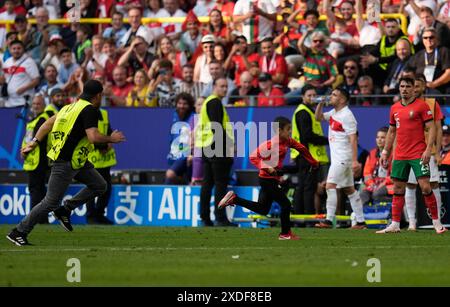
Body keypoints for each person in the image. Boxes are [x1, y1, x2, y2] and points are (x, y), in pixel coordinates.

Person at [6, 80, 126, 246]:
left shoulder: (69, 107)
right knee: (50, 202)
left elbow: (48, 123)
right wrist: (110, 138)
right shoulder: (89, 109)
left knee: (100, 185)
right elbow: (93, 136)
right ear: (98, 96)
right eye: (101, 96)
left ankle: (65, 209)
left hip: (77, 160)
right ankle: (18, 232)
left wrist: (34, 141)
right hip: (66, 162)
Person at [218, 116, 319, 240]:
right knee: (286, 205)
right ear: (279, 131)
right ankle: (285, 234)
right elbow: (253, 157)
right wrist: (267, 167)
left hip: (270, 179)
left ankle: (234, 199)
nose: (290, 132)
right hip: (267, 179)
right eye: (288, 129)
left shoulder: (288, 141)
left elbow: (302, 149)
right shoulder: (270, 144)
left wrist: (313, 162)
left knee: (263, 209)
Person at [377, 77, 447, 234]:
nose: (404, 89)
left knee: (426, 186)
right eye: (402, 86)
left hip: (418, 153)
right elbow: (392, 131)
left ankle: (437, 223)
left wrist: (429, 149)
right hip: (400, 155)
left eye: (408, 86)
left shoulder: (422, 106)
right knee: (398, 188)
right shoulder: (394, 108)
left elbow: (431, 128)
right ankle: (395, 224)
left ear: (413, 89)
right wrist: (386, 152)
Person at [314, 87, 367, 229]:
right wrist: (320, 103)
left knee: (330, 185)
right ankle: (361, 222)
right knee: (349, 189)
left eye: (334, 95)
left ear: (342, 99)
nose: (330, 96)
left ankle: (329, 220)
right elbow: (318, 118)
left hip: (343, 158)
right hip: (340, 158)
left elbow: (353, 139)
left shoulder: (347, 116)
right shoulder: (334, 113)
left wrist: (355, 160)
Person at [404, 74, 445, 231]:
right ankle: (412, 222)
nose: (415, 88)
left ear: (423, 87)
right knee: (410, 185)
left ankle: (437, 221)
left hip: (429, 151)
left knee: (433, 184)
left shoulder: (432, 103)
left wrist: (438, 151)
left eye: (418, 85)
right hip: (409, 151)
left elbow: (439, 128)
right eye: (412, 85)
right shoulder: (404, 104)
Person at [195, 77, 235, 227]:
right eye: (222, 86)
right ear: (214, 87)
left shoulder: (208, 102)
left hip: (207, 147)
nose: (225, 89)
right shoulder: (215, 102)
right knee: (220, 184)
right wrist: (229, 146)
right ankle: (220, 217)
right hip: (217, 147)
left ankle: (205, 217)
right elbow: (217, 127)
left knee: (208, 183)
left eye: (226, 86)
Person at [291, 85, 329, 215]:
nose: (312, 98)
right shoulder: (303, 112)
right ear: (303, 97)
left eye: (314, 95)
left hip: (304, 154)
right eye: (309, 95)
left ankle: (299, 216)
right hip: (306, 155)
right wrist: (328, 140)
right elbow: (307, 136)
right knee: (307, 188)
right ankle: (307, 216)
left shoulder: (308, 111)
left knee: (304, 186)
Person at [86, 106, 118, 225]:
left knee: (106, 188)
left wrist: (110, 139)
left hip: (105, 160)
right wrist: (104, 146)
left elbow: (108, 130)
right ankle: (90, 216)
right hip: (93, 158)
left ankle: (99, 215)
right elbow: (89, 135)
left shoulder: (104, 113)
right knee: (93, 188)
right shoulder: (87, 113)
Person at [21, 95, 51, 224]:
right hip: (32, 160)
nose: (35, 106)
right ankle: (41, 218)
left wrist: (26, 150)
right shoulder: (34, 119)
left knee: (36, 191)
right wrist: (23, 150)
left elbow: (36, 139)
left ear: (44, 105)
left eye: (38, 104)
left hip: (39, 160)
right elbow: (28, 139)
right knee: (38, 190)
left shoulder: (43, 119)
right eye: (34, 104)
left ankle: (37, 219)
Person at [165, 93, 195, 184]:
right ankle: (185, 183)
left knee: (170, 174)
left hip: (186, 156)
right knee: (168, 181)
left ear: (189, 106)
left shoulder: (193, 118)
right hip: (175, 155)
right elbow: (172, 138)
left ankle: (185, 183)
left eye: (185, 104)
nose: (182, 106)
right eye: (180, 103)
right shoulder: (175, 117)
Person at [0, 40, 40, 108]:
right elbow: (3, 79)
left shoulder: (29, 62)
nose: (16, 51)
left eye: (19, 48)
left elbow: (36, 80)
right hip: (9, 102)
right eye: (14, 48)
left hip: (24, 101)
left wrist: (24, 88)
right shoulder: (7, 62)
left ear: (23, 49)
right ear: (10, 50)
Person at [360, 127, 394, 206]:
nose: (379, 140)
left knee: (377, 194)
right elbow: (367, 173)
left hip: (391, 185)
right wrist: (371, 184)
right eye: (377, 137)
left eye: (382, 137)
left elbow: (395, 174)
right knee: (363, 194)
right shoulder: (372, 153)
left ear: (389, 139)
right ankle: (364, 216)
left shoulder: (395, 154)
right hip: (375, 184)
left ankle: (392, 211)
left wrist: (384, 183)